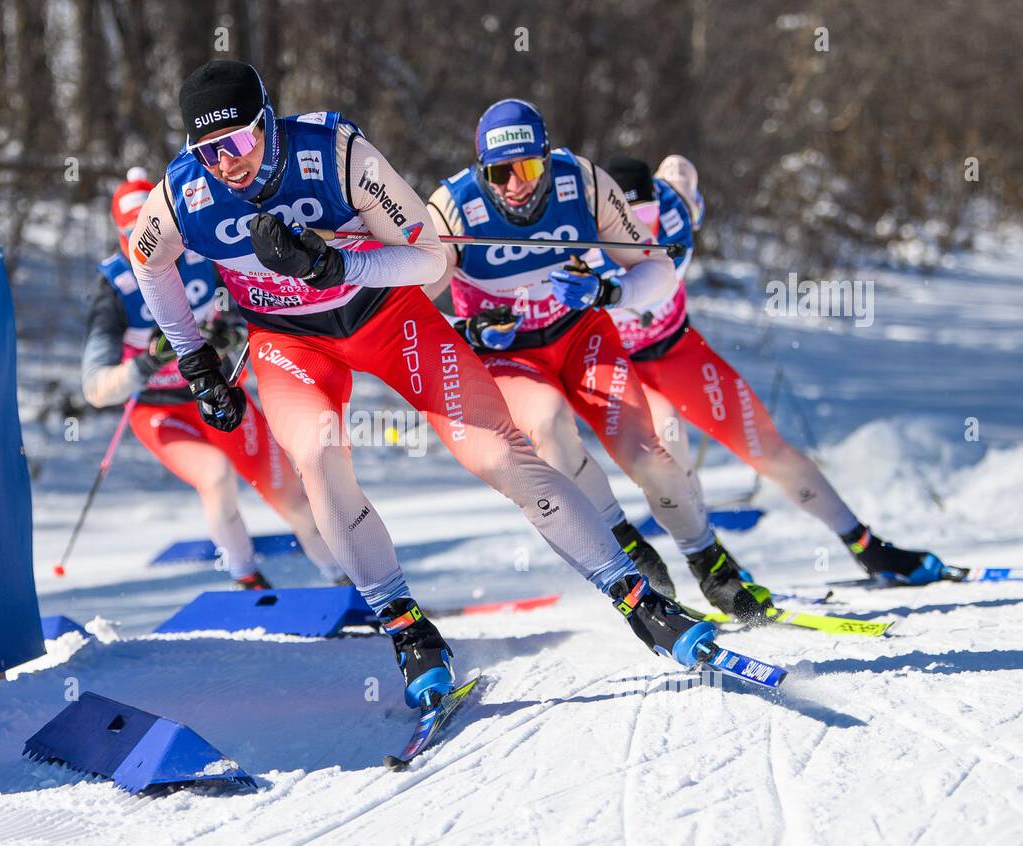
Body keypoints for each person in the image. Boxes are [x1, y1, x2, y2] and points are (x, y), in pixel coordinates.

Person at [128, 60, 723, 711]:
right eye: (210, 151)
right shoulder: (183, 195)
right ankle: (408, 630)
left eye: (240, 142)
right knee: (319, 462)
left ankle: (637, 598)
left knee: (501, 455)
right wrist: (195, 357)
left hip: (386, 317)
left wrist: (336, 263)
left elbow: (432, 255)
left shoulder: (334, 155)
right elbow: (146, 261)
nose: (229, 164)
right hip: (291, 342)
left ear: (267, 121)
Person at [423, 99, 775, 622]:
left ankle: (710, 561)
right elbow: (405, 310)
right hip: (511, 356)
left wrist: (606, 292)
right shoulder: (454, 207)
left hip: (581, 334)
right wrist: (468, 328)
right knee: (547, 425)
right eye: (500, 173)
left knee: (647, 452)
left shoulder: (585, 184)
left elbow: (654, 271)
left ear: (547, 157)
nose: (515, 185)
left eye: (529, 167)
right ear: (481, 171)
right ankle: (624, 541)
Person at [594, 154, 949, 585]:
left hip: (678, 351)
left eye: (646, 215)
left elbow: (680, 168)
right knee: (670, 439)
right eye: (627, 221)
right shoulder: (578, 238)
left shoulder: (673, 210)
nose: (640, 231)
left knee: (766, 446)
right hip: (622, 366)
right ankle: (711, 561)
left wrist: (692, 198)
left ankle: (867, 547)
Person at [82, 167, 345, 589]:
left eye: (153, 229)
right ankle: (247, 578)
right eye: (133, 235)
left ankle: (345, 581)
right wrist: (148, 362)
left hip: (220, 396)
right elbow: (95, 389)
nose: (147, 244)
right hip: (159, 411)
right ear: (119, 236)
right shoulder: (114, 286)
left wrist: (233, 332)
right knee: (216, 475)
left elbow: (255, 303)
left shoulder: (202, 251)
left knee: (293, 499)